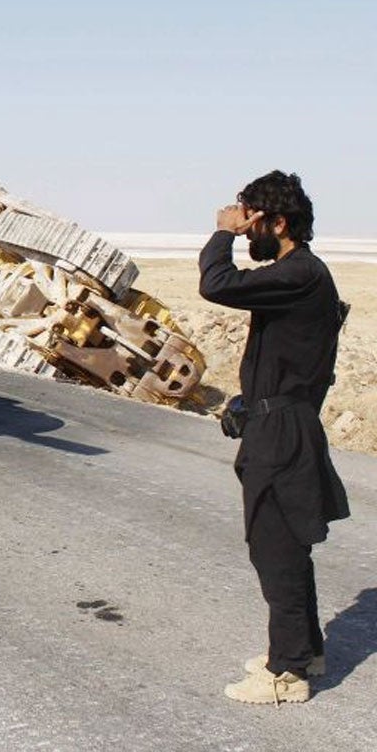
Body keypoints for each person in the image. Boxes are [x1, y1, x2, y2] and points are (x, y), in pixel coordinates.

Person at [198, 170, 350, 706]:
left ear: (278, 222)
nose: (245, 230)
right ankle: (303, 650)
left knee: (276, 550)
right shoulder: (295, 273)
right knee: (282, 547)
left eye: (252, 221)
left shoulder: (301, 274)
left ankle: (285, 675)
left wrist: (221, 234)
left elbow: (216, 284)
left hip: (283, 431)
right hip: (277, 423)